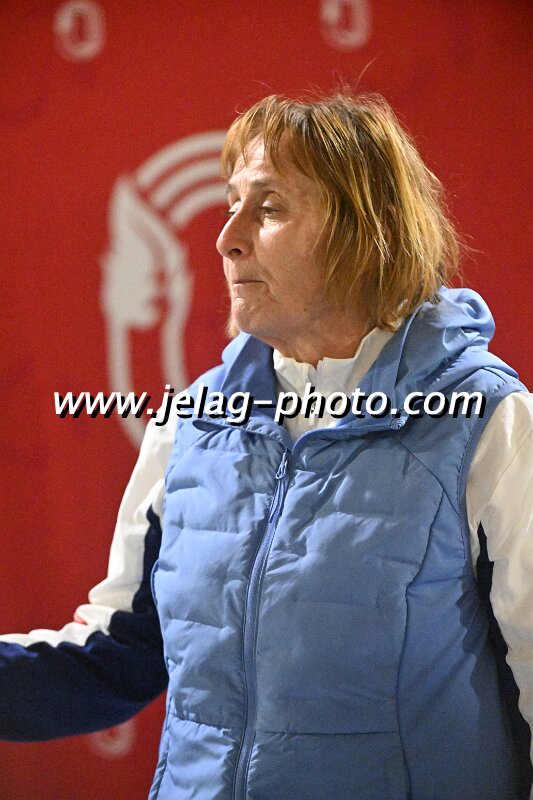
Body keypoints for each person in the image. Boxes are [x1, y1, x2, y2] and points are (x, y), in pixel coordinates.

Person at [1, 93, 532, 800]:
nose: (227, 239)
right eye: (231, 204)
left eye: (270, 208)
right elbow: (118, 654)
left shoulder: (490, 424)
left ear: (367, 232)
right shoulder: (191, 424)